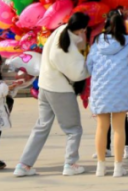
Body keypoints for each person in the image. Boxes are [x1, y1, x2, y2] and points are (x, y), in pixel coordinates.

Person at [15, 12, 91, 177]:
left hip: (44, 87)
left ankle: (23, 165)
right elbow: (78, 74)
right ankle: (70, 163)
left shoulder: (60, 31)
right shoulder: (67, 48)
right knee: (73, 129)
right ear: (83, 28)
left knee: (41, 127)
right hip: (60, 91)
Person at [86, 9, 128, 177]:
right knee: (119, 128)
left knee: (101, 127)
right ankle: (118, 167)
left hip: (100, 89)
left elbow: (89, 64)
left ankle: (100, 167)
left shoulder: (97, 42)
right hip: (121, 88)